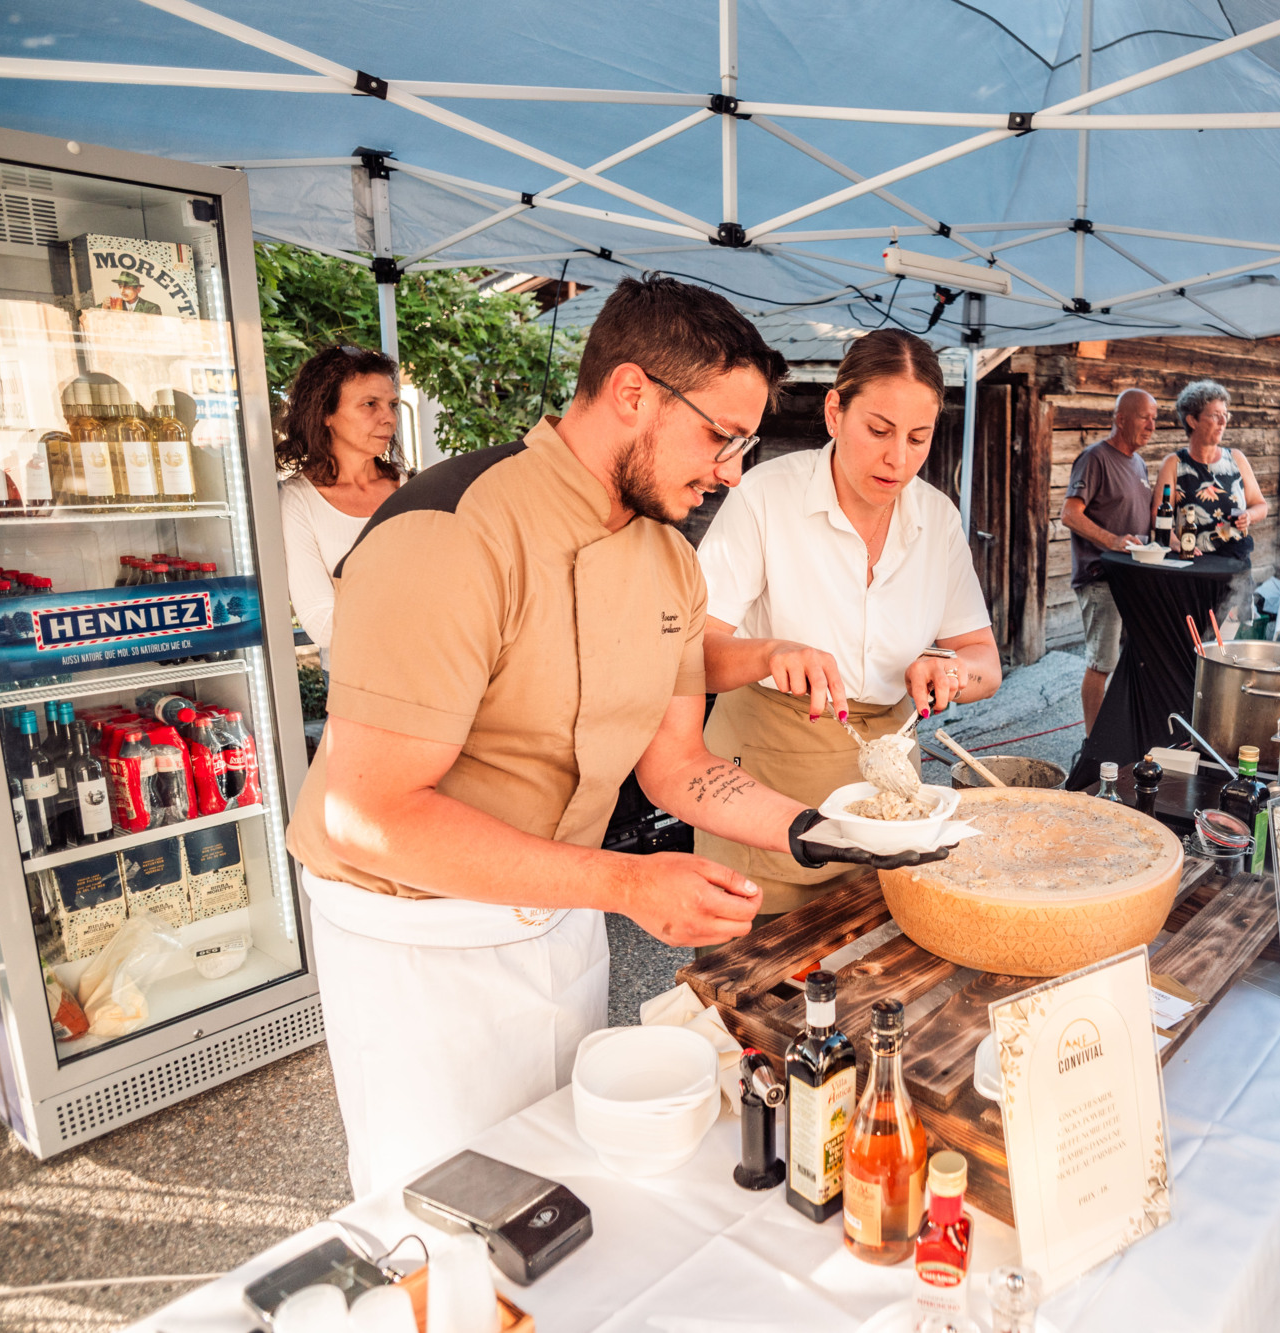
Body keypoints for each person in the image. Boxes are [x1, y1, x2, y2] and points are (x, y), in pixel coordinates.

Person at [284, 277, 943, 1196]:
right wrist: (628, 883)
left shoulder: (669, 558)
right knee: (443, 1209)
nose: (731, 473)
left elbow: (678, 764)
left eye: (744, 447)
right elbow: (370, 814)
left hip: (563, 914)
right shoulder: (450, 528)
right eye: (720, 437)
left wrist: (827, 830)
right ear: (633, 392)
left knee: (565, 1183)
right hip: (418, 942)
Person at [695, 329, 1002, 913]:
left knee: (877, 945)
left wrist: (950, 670)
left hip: (888, 796)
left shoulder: (937, 519)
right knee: (764, 956)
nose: (898, 458)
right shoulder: (766, 497)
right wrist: (769, 654)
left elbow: (985, 662)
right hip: (768, 772)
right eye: (879, 431)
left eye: (918, 438)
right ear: (835, 412)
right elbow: (692, 656)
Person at [275, 346, 404, 669]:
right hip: (359, 680)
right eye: (369, 404)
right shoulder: (298, 500)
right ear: (325, 414)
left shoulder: (411, 486)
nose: (389, 417)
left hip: (439, 671)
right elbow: (321, 623)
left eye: (391, 404)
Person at [1060, 388, 1157, 733]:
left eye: (1155, 418)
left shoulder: (1139, 464)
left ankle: (1118, 737)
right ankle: (1093, 745)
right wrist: (1113, 541)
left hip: (1134, 579)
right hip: (1101, 577)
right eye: (1145, 417)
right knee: (1101, 663)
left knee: (1131, 661)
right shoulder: (1095, 458)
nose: (1152, 426)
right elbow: (1070, 514)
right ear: (1121, 419)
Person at [1155, 379, 1268, 634]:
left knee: (1224, 646)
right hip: (1192, 571)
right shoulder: (1174, 464)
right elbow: (1158, 519)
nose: (1223, 421)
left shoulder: (1236, 459)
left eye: (1225, 414)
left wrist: (1249, 516)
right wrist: (1174, 542)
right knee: (1193, 642)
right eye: (1215, 415)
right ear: (1192, 420)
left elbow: (1261, 505)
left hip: (1235, 569)